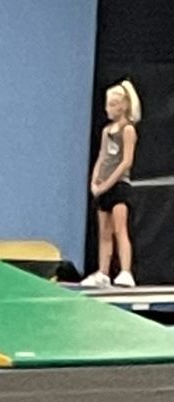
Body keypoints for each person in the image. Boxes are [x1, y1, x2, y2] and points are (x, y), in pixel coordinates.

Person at [88, 81, 140, 290]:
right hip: (103, 187)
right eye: (107, 105)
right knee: (104, 232)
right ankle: (103, 272)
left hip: (118, 187)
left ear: (123, 106)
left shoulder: (128, 130)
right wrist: (94, 181)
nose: (107, 109)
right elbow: (102, 157)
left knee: (120, 229)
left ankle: (126, 271)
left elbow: (126, 162)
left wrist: (108, 183)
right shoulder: (106, 131)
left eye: (112, 105)